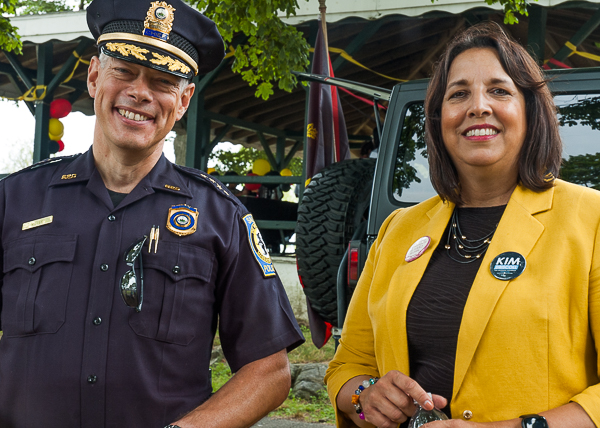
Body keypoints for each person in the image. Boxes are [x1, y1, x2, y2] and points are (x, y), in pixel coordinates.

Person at [0, 0, 304, 427]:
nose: (139, 92)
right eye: (123, 70)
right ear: (93, 76)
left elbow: (269, 371)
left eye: (162, 81)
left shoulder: (222, 218)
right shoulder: (14, 200)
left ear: (183, 101)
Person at [325, 22, 600, 428]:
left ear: (531, 111)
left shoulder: (590, 219)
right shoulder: (398, 229)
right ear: (439, 120)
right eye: (458, 94)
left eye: (499, 90)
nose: (478, 106)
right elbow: (348, 364)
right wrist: (366, 395)